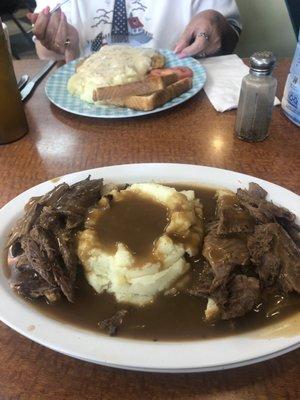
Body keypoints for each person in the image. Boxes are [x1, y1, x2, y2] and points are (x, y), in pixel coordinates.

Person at [28, 0, 242, 62]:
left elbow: (230, 35)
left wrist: (215, 22)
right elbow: (44, 52)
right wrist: (63, 43)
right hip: (86, 108)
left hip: (181, 105)